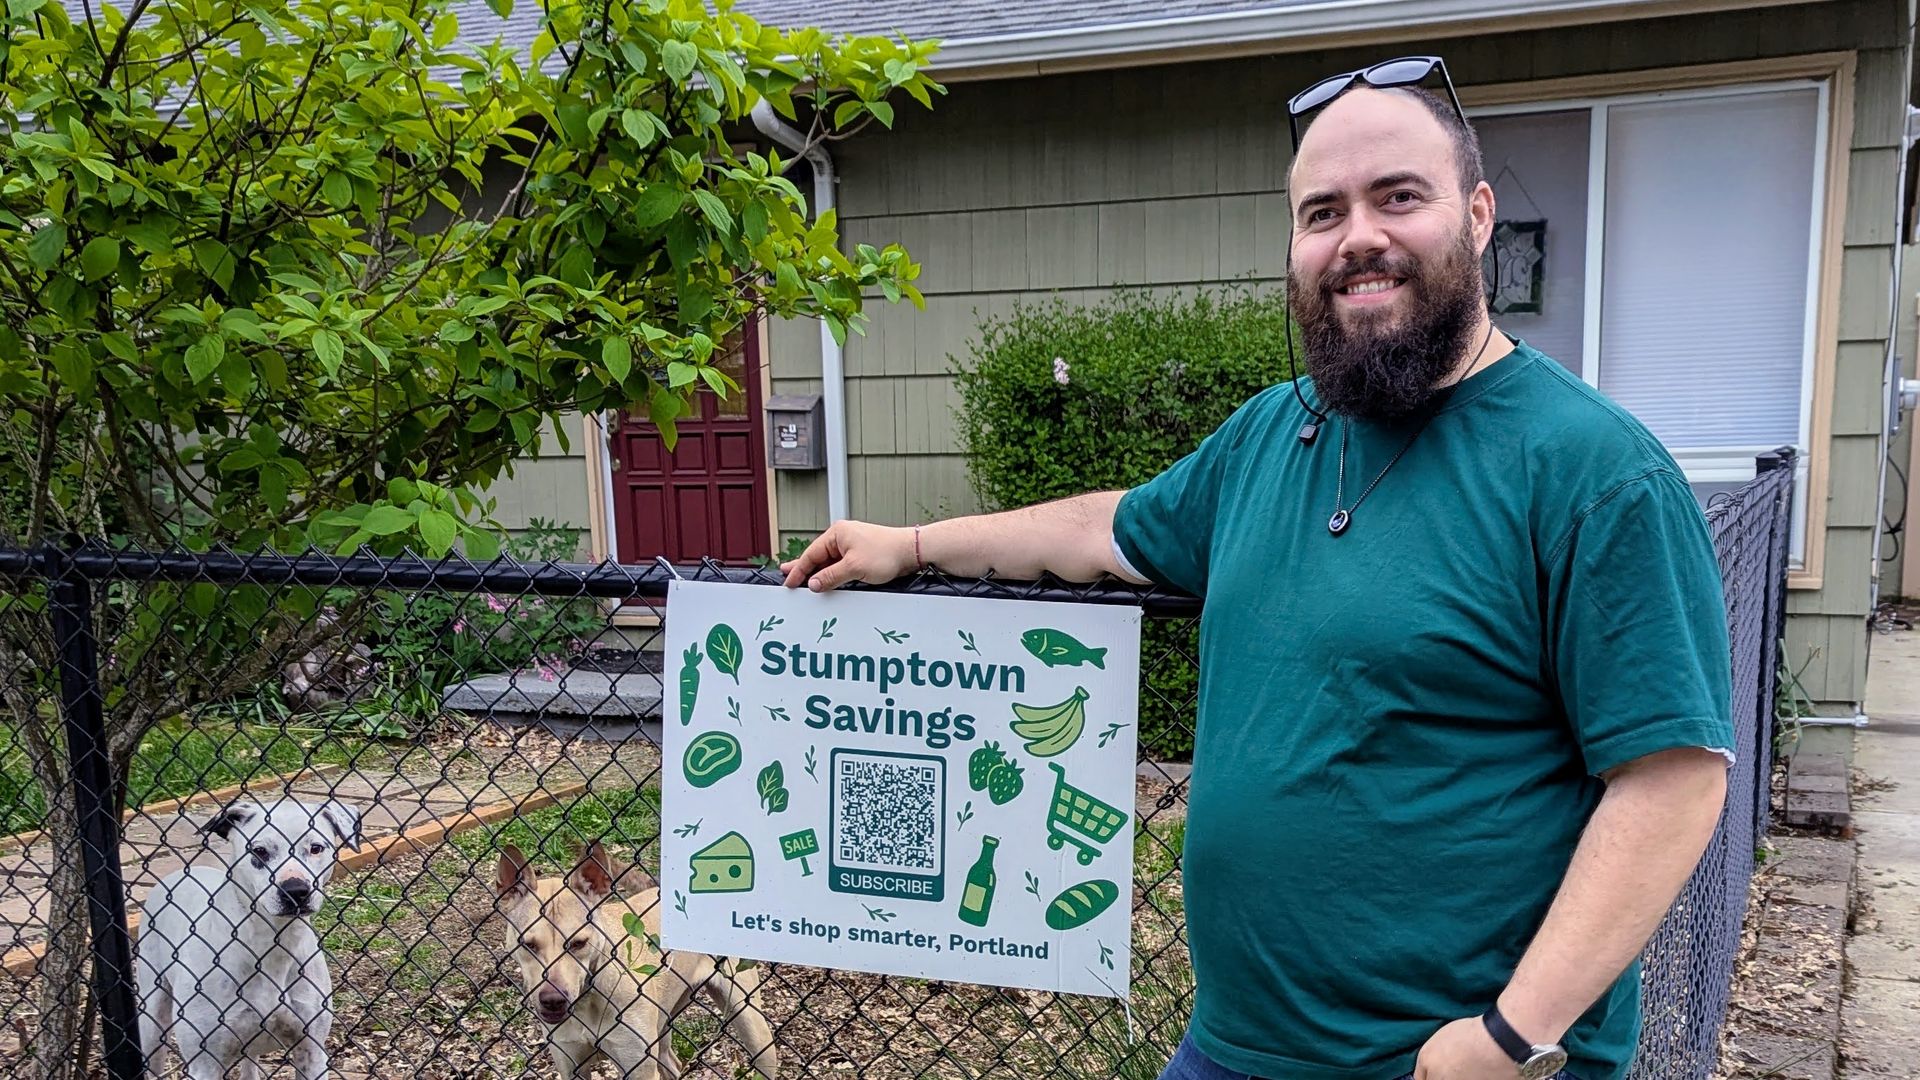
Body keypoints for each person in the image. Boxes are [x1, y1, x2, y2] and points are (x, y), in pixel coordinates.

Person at [779, 57, 1732, 1080]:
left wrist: (1508, 1038)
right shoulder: (1277, 434)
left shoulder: (1593, 471)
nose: (1357, 235)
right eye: (1323, 211)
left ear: (1480, 215)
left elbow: (1671, 780)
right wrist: (914, 547)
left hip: (1444, 1066)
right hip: (1236, 1047)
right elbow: (1111, 530)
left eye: (1398, 197)